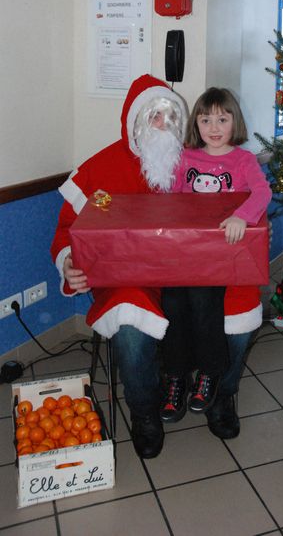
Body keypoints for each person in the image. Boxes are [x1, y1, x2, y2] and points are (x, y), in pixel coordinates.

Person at [51, 74, 187, 459]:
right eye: (155, 117)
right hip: (124, 280)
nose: (165, 126)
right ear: (135, 120)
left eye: (171, 117)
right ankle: (145, 414)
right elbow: (65, 231)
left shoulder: (189, 166)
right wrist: (69, 263)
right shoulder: (100, 169)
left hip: (178, 275)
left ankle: (207, 392)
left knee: (215, 305)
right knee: (129, 328)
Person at [160, 87, 272, 426]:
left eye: (222, 119)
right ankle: (176, 378)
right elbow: (173, 199)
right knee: (174, 301)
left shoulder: (243, 160)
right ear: (196, 123)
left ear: (234, 121)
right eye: (205, 119)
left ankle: (210, 374)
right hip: (186, 255)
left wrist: (243, 215)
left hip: (220, 258)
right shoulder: (185, 157)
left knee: (204, 297)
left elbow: (263, 192)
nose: (213, 126)